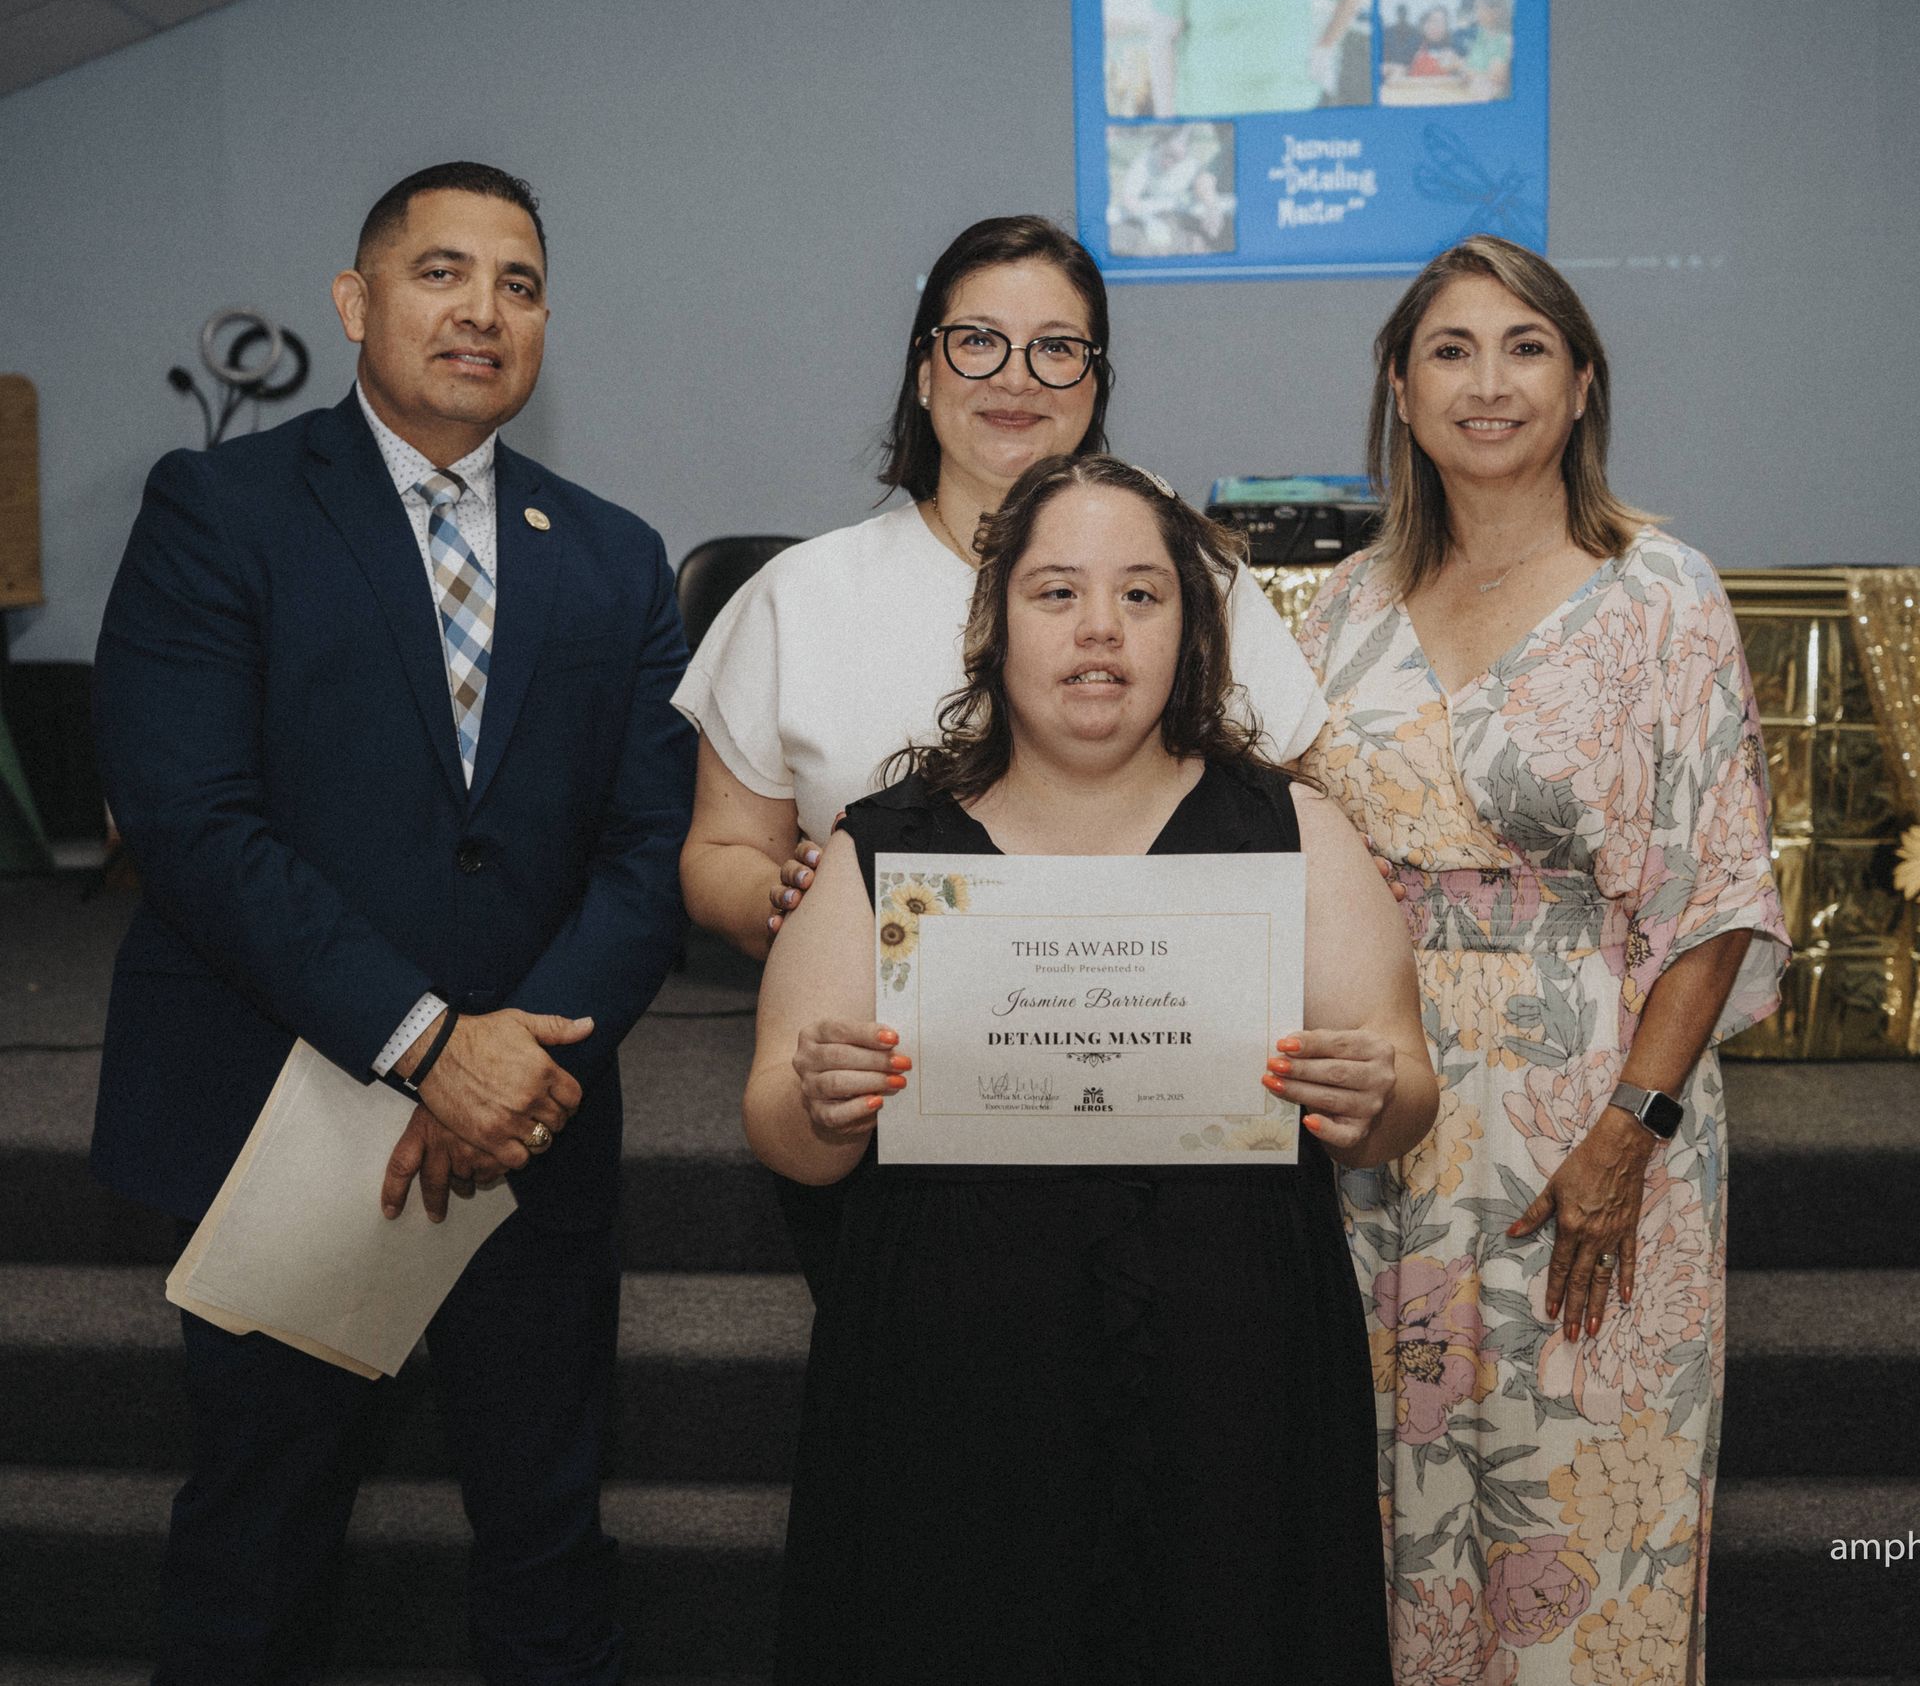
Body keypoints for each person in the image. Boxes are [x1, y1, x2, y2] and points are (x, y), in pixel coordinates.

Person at [91, 162, 695, 1682]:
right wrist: (429, 1043)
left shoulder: (616, 553)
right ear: (357, 302)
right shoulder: (217, 508)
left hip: (535, 1131)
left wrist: (516, 1066)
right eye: (440, 273)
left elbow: (645, 850)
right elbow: (192, 820)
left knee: (548, 1537)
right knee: (259, 1537)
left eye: (519, 282)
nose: (482, 310)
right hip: (281, 1103)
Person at [746, 453, 1438, 1684]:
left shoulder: (1292, 829)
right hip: (954, 1371)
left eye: (1143, 594)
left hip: (1235, 1365)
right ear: (992, 621)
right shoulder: (883, 845)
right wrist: (821, 1101)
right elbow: (785, 1134)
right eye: (1057, 592)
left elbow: (1401, 1098)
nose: (1100, 629)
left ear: (1193, 629)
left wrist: (1373, 1096)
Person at [1295, 235, 1787, 1685]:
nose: (1488, 380)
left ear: (1580, 386)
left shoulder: (1659, 592)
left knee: (1579, 1499)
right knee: (1398, 1497)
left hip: (1597, 1106)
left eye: (1525, 346)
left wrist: (1628, 1131)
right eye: (1450, 347)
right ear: (1400, 384)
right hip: (1381, 1117)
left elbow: (1718, 890)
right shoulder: (1341, 611)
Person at [674, 216, 1327, 1292]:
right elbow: (716, 854)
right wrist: (789, 901)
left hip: (1180, 1128)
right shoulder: (801, 597)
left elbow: (1288, 822)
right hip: (897, 1128)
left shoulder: (1193, 581)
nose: (1016, 377)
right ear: (924, 369)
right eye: (978, 340)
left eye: (1057, 347)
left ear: (1095, 379)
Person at [1147, 0, 1364, 116]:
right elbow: (1162, 40)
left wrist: (1324, 48)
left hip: (1294, 108)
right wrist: (1167, 118)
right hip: (1211, 116)